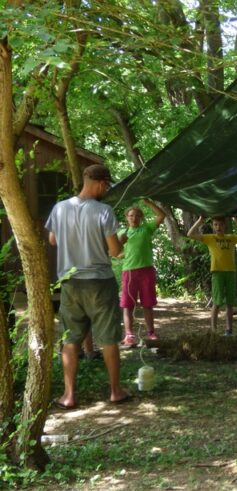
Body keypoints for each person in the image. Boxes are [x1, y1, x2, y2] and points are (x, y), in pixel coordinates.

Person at [45, 164, 131, 409]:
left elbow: (52, 240)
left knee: (71, 338)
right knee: (108, 338)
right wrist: (119, 241)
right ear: (102, 183)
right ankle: (115, 391)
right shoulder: (104, 211)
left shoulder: (60, 208)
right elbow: (114, 251)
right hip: (100, 281)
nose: (107, 190)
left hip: (70, 281)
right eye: (107, 186)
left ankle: (69, 395)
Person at [188, 216, 237, 336]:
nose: (218, 227)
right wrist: (199, 221)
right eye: (215, 225)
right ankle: (214, 330)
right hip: (217, 272)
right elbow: (190, 234)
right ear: (213, 226)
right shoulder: (210, 238)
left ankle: (229, 330)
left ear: (225, 226)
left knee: (230, 303)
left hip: (230, 272)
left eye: (221, 224)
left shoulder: (231, 238)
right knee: (217, 302)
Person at [119, 199, 166, 346]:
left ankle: (151, 332)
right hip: (129, 272)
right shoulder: (122, 233)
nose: (134, 218)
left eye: (137, 215)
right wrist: (122, 249)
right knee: (128, 305)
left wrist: (148, 202)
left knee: (147, 303)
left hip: (146, 271)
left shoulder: (146, 229)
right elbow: (113, 251)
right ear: (126, 218)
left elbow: (161, 216)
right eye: (131, 215)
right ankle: (129, 335)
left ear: (141, 218)